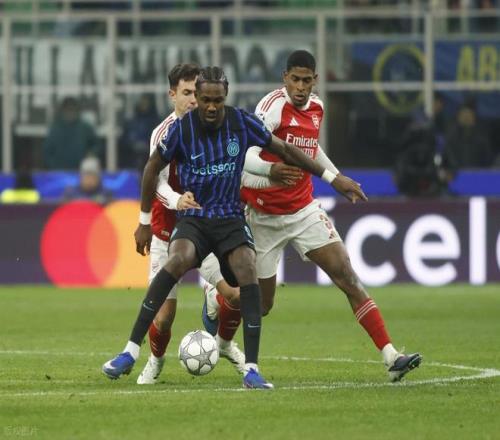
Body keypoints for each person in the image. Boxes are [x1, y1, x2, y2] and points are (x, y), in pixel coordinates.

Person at [103, 66, 365, 389]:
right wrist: (144, 221)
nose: (211, 107)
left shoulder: (240, 121)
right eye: (205, 100)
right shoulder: (181, 129)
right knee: (178, 259)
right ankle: (130, 351)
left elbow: (285, 149)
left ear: (225, 97)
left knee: (247, 269)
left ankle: (252, 369)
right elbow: (151, 168)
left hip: (229, 219)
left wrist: (332, 178)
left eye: (218, 100)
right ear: (197, 98)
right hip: (196, 219)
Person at [236, 50, 421, 382]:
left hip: (303, 210)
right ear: (285, 78)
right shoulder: (272, 107)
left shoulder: (317, 108)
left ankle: (391, 357)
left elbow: (311, 149)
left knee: (347, 276)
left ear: (315, 80)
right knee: (261, 305)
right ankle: (218, 304)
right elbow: (246, 154)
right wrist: (271, 171)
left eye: (307, 80)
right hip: (263, 216)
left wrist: (336, 178)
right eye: (295, 79)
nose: (300, 87)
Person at [135, 63, 247, 385]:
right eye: (185, 93)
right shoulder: (164, 132)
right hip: (167, 233)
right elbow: (154, 179)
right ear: (172, 95)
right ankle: (156, 360)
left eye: (194, 93)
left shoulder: (217, 126)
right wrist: (173, 202)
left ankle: (223, 341)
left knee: (236, 295)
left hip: (207, 228)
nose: (193, 100)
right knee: (164, 317)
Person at [43, 97, 100, 170]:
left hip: (80, 171)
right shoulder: (55, 128)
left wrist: (91, 154)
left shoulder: (85, 127)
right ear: (63, 111)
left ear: (77, 111)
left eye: (72, 110)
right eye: (68, 110)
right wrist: (54, 167)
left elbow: (96, 145)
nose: (70, 112)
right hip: (60, 171)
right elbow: (47, 151)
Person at [119, 94, 161, 170]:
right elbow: (126, 137)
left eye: (146, 102)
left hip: (149, 150)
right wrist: (132, 143)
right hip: (132, 150)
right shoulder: (133, 120)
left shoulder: (156, 121)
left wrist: (146, 144)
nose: (143, 105)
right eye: (142, 102)